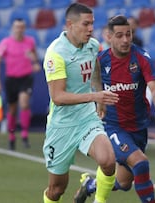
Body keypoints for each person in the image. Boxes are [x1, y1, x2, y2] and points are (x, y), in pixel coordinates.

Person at [74, 15, 155, 203]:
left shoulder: (141, 57)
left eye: (128, 34)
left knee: (124, 183)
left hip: (138, 127)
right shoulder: (101, 60)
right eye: (119, 35)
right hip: (112, 126)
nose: (125, 40)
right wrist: (99, 98)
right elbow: (93, 77)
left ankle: (90, 185)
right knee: (141, 163)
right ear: (109, 37)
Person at [41, 3, 119, 203]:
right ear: (70, 24)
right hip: (62, 126)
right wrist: (95, 97)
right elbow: (58, 97)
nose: (91, 28)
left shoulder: (93, 45)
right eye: (86, 24)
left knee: (108, 161)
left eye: (92, 23)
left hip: (86, 117)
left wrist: (98, 96)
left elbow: (95, 69)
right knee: (57, 189)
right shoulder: (56, 53)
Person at [0, 18, 41, 150]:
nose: (19, 29)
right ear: (13, 28)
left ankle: (24, 134)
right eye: (17, 27)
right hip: (11, 79)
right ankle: (12, 136)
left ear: (24, 28)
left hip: (26, 78)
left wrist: (35, 63)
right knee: (12, 109)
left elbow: (35, 58)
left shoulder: (30, 42)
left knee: (24, 104)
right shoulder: (6, 43)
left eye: (21, 27)